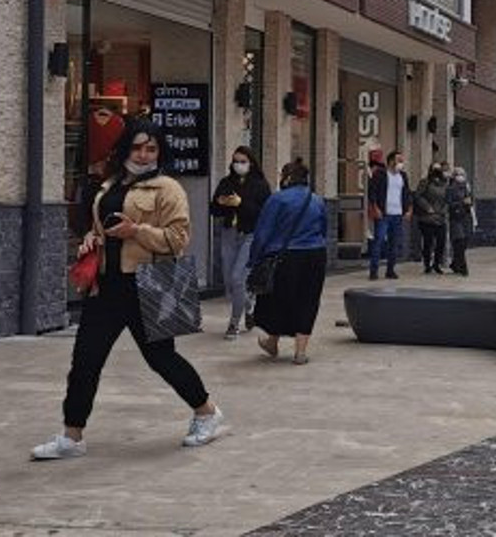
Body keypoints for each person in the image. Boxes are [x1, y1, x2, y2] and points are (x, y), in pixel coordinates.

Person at [32, 119, 225, 460]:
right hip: (106, 286)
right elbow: (99, 226)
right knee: (85, 360)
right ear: (125, 148)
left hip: (148, 283)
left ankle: (207, 412)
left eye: (151, 148)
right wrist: (93, 238)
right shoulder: (110, 184)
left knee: (161, 358)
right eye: (137, 147)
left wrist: (136, 231)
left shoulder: (168, 188)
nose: (144, 154)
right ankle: (72, 436)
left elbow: (178, 239)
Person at [249, 160, 327, 365]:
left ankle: (272, 342)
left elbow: (262, 233)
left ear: (287, 178)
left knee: (278, 300)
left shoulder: (278, 200)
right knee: (308, 300)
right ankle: (300, 352)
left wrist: (254, 259)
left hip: (286, 257)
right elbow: (324, 229)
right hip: (316, 254)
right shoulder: (317, 200)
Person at [210, 145, 271, 338]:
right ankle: (249, 304)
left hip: (250, 235)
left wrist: (241, 203)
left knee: (238, 278)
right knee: (230, 281)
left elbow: (264, 214)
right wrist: (221, 203)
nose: (238, 165)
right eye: (235, 161)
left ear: (251, 163)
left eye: (242, 161)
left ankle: (233, 324)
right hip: (229, 232)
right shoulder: (226, 182)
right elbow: (213, 209)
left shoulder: (260, 185)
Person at [366, 150, 411, 281]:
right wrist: (375, 208)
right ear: (391, 161)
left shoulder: (403, 176)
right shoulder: (380, 174)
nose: (401, 163)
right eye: (399, 160)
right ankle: (373, 271)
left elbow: (406, 193)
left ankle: (390, 270)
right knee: (378, 241)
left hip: (397, 214)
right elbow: (372, 192)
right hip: (384, 214)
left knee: (394, 243)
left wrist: (408, 209)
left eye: (402, 161)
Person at [413, 163, 449, 273]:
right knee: (428, 242)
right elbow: (418, 196)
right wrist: (427, 207)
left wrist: (444, 210)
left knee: (441, 242)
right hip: (427, 217)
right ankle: (427, 264)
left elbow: (448, 199)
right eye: (435, 169)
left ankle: (436, 264)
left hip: (440, 217)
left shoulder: (445, 184)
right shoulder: (425, 182)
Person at [446, 166, 474, 276]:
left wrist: (469, 202)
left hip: (465, 217)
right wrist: (461, 203)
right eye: (458, 174)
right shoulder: (450, 188)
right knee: (459, 241)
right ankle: (463, 267)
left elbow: (470, 200)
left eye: (462, 174)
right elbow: (449, 203)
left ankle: (455, 263)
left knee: (464, 242)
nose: (460, 177)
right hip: (455, 218)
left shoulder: (466, 187)